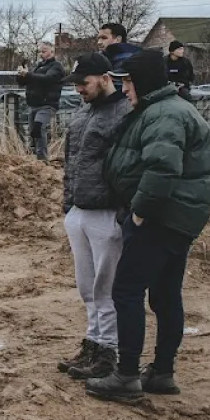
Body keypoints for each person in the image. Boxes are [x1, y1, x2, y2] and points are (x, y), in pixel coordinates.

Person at [86, 48, 210, 402]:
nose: (124, 88)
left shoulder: (164, 115)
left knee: (126, 292)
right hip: (175, 219)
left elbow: (162, 168)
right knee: (164, 296)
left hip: (160, 219)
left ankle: (126, 376)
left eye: (128, 81)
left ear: (141, 82)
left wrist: (140, 213)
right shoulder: (161, 109)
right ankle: (161, 372)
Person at [58, 52, 131, 380]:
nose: (78, 90)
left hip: (107, 213)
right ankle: (94, 342)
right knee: (87, 287)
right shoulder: (84, 113)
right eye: (75, 85)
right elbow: (71, 161)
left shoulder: (125, 113)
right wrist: (68, 205)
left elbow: (130, 167)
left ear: (105, 77)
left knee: (107, 287)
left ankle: (108, 351)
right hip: (80, 210)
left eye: (83, 84)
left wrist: (123, 211)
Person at [17, 42, 67, 161]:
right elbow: (23, 82)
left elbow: (47, 79)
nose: (41, 54)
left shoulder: (56, 67)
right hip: (33, 104)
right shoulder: (38, 67)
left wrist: (28, 74)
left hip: (47, 105)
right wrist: (21, 75)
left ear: (52, 52)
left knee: (39, 127)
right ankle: (34, 156)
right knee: (33, 132)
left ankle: (42, 160)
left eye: (44, 51)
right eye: (40, 51)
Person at [96, 23, 141, 91]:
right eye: (98, 38)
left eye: (104, 38)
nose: (99, 42)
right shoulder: (106, 59)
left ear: (118, 39)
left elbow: (117, 90)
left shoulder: (127, 61)